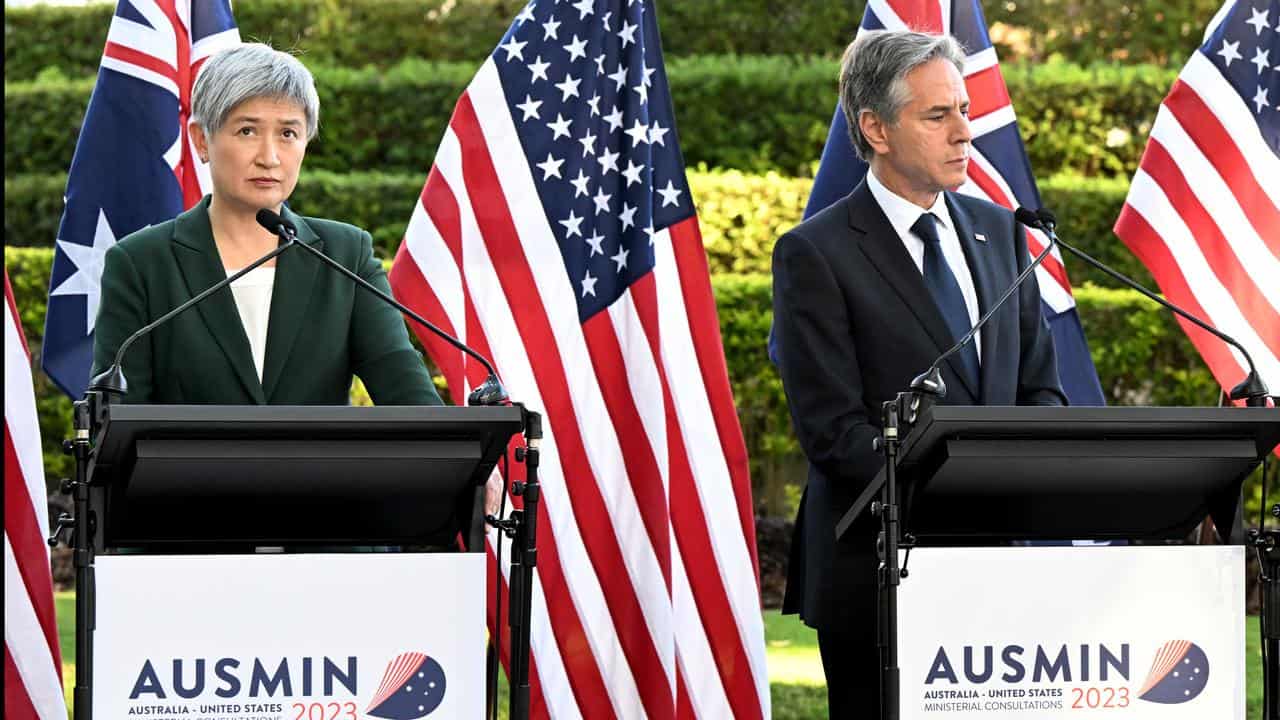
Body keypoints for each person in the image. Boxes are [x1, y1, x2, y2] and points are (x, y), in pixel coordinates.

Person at [770, 30, 1067, 718]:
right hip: (876, 582)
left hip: (994, 574)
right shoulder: (815, 253)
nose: (965, 131)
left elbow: (1040, 392)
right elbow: (832, 431)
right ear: (875, 128)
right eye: (938, 116)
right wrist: (954, 474)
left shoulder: (1003, 233)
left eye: (964, 110)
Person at [91, 43, 442, 408]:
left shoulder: (346, 255)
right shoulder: (140, 263)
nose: (269, 158)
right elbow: (117, 423)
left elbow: (411, 399)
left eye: (288, 134)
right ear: (201, 139)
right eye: (247, 131)